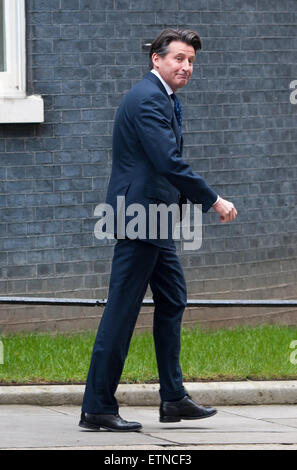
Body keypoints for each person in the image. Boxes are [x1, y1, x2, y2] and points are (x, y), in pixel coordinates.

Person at [79, 29, 237, 432]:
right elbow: (168, 161)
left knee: (172, 299)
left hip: (156, 219)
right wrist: (213, 199)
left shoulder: (163, 98)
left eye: (190, 62)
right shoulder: (148, 98)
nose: (185, 67)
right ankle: (96, 406)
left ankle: (173, 398)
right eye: (178, 59)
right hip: (140, 218)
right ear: (156, 59)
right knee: (122, 310)